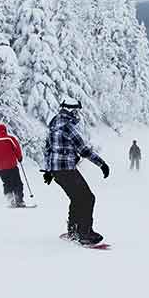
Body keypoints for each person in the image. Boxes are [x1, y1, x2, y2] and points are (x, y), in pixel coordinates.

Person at [42, 98, 111, 246]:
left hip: (58, 171)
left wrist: (49, 170)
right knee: (88, 198)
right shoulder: (67, 126)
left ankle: (73, 230)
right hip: (66, 170)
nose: (78, 114)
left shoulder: (54, 123)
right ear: (72, 111)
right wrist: (102, 164)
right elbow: (83, 150)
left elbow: (48, 148)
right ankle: (84, 233)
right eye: (77, 111)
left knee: (77, 198)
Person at [0, 123, 26, 207]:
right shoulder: (10, 139)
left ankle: (10, 200)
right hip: (12, 166)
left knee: (7, 183)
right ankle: (19, 201)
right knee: (17, 183)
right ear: (5, 130)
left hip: (1, 168)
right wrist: (19, 158)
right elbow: (17, 148)